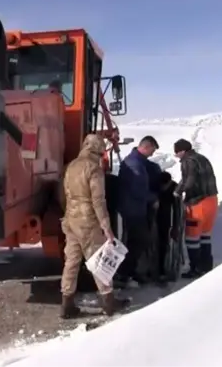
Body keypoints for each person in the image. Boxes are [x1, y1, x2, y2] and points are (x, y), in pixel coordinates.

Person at [60, 134, 129, 319]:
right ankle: (109, 302)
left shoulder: (72, 166)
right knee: (99, 262)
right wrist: (106, 227)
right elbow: (98, 201)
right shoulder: (93, 169)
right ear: (98, 149)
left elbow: (65, 195)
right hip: (88, 222)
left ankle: (67, 306)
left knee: (71, 262)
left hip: (70, 220)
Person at [115, 135, 160, 288]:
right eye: (152, 151)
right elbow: (138, 190)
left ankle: (129, 271)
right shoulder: (135, 164)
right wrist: (154, 198)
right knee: (139, 240)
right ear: (145, 147)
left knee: (135, 241)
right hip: (133, 210)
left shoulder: (138, 162)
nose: (152, 154)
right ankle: (125, 273)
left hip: (134, 208)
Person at [173, 139, 219, 279]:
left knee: (192, 237)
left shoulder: (188, 161)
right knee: (205, 235)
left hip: (198, 203)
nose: (176, 156)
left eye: (177, 153)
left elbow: (189, 180)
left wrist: (178, 192)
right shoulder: (202, 158)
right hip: (211, 201)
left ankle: (196, 269)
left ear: (182, 151)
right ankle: (206, 266)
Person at [155, 171, 180, 281]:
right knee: (159, 244)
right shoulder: (156, 187)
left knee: (166, 244)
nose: (163, 188)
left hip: (167, 218)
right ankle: (158, 269)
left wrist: (175, 226)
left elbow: (177, 210)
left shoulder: (174, 190)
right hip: (158, 217)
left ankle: (165, 269)